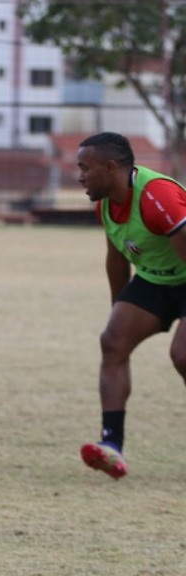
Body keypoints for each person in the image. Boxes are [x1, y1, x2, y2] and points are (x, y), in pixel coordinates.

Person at [77, 131, 186, 479]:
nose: (80, 176)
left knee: (183, 355)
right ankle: (111, 446)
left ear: (110, 167)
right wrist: (119, 309)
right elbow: (116, 258)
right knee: (113, 341)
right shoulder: (106, 205)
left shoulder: (157, 197)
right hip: (156, 280)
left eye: (85, 168)